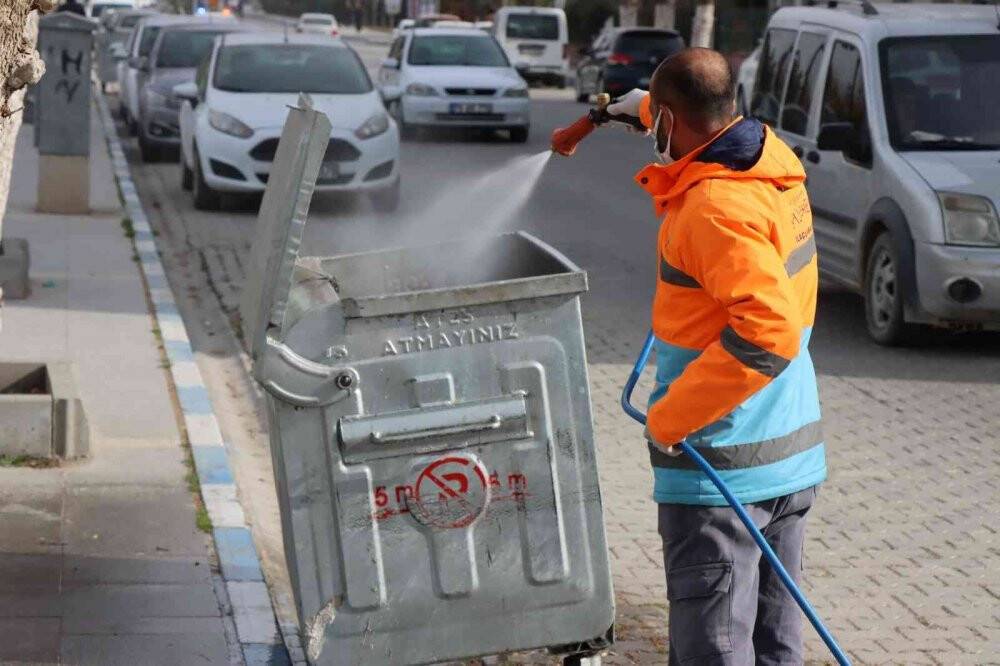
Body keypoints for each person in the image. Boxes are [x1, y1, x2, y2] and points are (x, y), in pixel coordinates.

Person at [607, 48, 827, 665]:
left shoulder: (712, 208)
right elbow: (697, 110)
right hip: (786, 461)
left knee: (715, 651)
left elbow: (768, 333)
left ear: (671, 122)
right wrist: (642, 108)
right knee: (775, 647)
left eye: (659, 118)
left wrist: (670, 419)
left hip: (722, 473)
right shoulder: (768, 163)